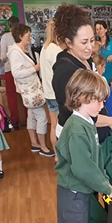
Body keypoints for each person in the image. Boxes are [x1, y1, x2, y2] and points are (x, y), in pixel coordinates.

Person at [52, 4, 112, 223]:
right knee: (81, 187)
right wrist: (109, 120)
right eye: (84, 42)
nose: (91, 46)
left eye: (93, 40)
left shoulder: (84, 61)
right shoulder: (65, 70)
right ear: (68, 42)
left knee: (90, 181)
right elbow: (76, 115)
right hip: (78, 135)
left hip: (90, 134)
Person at [55, 69, 112, 223]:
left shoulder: (85, 121)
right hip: (73, 193)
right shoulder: (77, 129)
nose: (102, 105)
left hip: (80, 190)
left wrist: (103, 180)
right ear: (80, 98)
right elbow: (83, 167)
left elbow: (93, 159)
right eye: (98, 100)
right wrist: (104, 186)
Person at [8, 23, 54, 157]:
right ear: (21, 36)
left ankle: (35, 144)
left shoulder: (23, 51)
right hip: (30, 91)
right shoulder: (15, 53)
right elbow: (16, 73)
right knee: (41, 118)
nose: (30, 38)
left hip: (31, 89)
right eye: (28, 35)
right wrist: (35, 68)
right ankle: (43, 147)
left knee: (32, 117)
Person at [40, 20, 63, 162]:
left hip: (48, 93)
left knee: (53, 125)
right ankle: (62, 156)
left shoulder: (45, 48)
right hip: (57, 93)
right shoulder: (56, 50)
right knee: (61, 127)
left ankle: (56, 155)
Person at [0, 16, 23, 130]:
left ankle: (15, 122)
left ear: (9, 26)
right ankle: (29, 120)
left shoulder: (5, 37)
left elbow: (3, 57)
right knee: (25, 94)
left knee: (12, 97)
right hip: (24, 69)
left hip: (10, 70)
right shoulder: (23, 35)